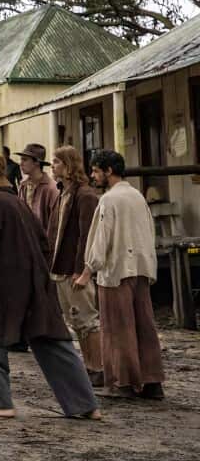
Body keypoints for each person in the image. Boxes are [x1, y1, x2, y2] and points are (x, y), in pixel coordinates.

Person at [0, 153, 100, 420]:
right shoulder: (18, 202)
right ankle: (84, 404)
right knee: (51, 340)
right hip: (33, 282)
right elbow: (44, 242)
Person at [76, 150, 165, 400]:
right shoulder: (137, 196)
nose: (93, 176)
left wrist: (88, 270)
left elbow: (101, 239)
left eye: (95, 171)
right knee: (144, 325)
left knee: (118, 327)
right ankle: (152, 381)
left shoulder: (109, 200)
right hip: (141, 268)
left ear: (108, 171)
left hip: (116, 270)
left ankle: (123, 382)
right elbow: (149, 232)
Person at [48, 146, 104, 386]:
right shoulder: (64, 194)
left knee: (87, 319)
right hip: (61, 267)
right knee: (76, 321)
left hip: (75, 269)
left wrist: (81, 269)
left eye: (57, 162)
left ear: (68, 165)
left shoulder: (85, 195)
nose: (53, 167)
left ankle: (97, 367)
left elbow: (86, 236)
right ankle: (89, 366)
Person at [17, 144, 58, 233]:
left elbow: (54, 224)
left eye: (25, 160)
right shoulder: (23, 186)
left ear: (37, 162)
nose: (21, 163)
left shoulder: (51, 188)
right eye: (21, 159)